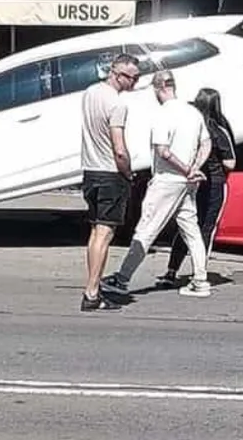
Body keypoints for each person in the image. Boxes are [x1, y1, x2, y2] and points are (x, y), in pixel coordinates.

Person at [101, 70, 214, 298]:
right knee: (191, 229)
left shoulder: (163, 115)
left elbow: (163, 151)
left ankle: (122, 279)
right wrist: (194, 169)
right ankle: (201, 280)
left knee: (147, 229)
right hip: (187, 183)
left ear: (158, 88)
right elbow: (206, 143)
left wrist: (186, 169)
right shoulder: (193, 112)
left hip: (167, 180)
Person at [155, 88, 236, 293]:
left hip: (189, 181)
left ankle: (171, 271)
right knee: (206, 228)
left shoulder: (189, 124)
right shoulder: (217, 128)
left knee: (185, 226)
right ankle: (199, 274)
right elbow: (230, 162)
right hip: (214, 183)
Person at [79, 53, 140, 312]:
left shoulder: (90, 93)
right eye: (132, 77)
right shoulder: (117, 104)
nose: (135, 83)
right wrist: (128, 173)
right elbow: (119, 149)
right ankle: (92, 292)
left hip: (90, 171)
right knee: (105, 234)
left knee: (96, 233)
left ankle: (92, 286)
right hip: (109, 173)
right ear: (116, 73)